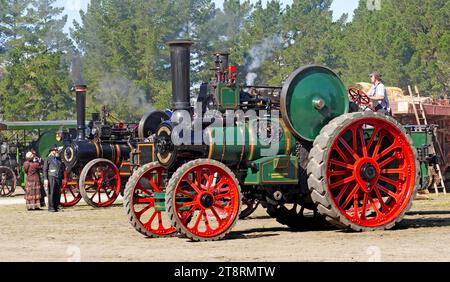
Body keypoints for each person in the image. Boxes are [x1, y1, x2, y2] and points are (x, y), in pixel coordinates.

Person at [43, 145, 65, 212]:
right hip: (51, 176)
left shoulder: (59, 159)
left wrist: (63, 178)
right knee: (51, 192)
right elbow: (45, 169)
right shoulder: (48, 159)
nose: (56, 151)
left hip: (58, 177)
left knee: (58, 193)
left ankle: (57, 206)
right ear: (52, 151)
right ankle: (51, 207)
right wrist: (45, 179)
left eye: (56, 150)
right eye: (55, 150)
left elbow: (62, 169)